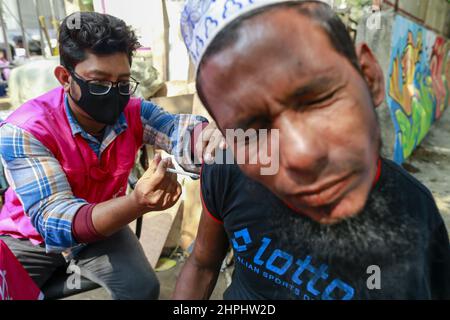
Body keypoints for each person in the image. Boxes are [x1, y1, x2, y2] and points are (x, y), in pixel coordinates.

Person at [174, 0, 450, 300]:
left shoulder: (416, 214)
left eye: (317, 100)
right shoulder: (230, 168)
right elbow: (202, 264)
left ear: (369, 78)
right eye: (253, 131)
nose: (302, 155)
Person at [0, 12, 223, 300]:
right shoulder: (26, 130)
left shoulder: (132, 112)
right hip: (27, 240)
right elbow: (55, 222)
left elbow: (175, 129)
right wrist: (136, 203)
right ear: (65, 77)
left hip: (103, 231)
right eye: (99, 82)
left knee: (142, 289)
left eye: (122, 83)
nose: (113, 94)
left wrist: (209, 140)